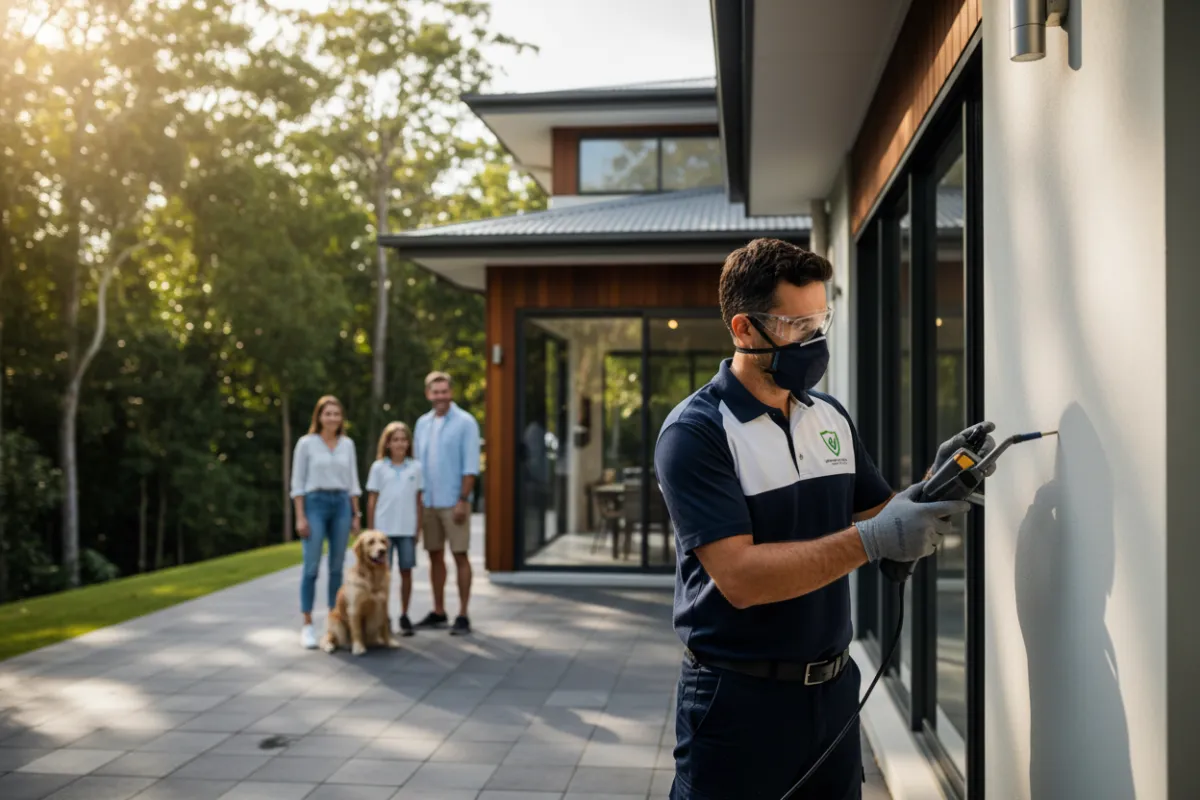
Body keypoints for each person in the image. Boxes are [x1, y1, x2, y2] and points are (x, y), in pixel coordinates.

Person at [655, 238, 985, 799]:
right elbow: (740, 578)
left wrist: (934, 486)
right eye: (796, 324)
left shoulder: (828, 415)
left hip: (833, 694)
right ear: (743, 329)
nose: (816, 339)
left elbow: (880, 517)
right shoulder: (697, 433)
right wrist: (875, 538)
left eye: (821, 319)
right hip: (737, 702)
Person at [290, 395, 363, 650]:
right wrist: (300, 516)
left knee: (336, 567)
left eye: (336, 414)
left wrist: (356, 514)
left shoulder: (347, 445)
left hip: (341, 504)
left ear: (341, 418)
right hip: (315, 504)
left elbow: (353, 482)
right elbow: (297, 483)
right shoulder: (306, 444)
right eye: (327, 413)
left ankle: (334, 623)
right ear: (319, 417)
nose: (332, 418)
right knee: (311, 566)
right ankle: (308, 624)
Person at [412, 371, 481, 635]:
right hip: (429, 502)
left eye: (444, 391)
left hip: (454, 502)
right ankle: (438, 611)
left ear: (451, 392)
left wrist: (463, 500)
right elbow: (417, 465)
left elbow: (471, 466)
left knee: (460, 555)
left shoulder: (466, 423)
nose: (440, 396)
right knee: (434, 556)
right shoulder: (422, 424)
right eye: (435, 391)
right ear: (428, 394)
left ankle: (463, 614)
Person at [366, 421, 423, 637]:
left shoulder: (415, 468)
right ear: (388, 443)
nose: (400, 443)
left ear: (408, 443)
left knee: (406, 572)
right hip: (383, 532)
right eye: (395, 440)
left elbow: (419, 501)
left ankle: (405, 614)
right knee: (382, 575)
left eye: (403, 439)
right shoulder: (379, 468)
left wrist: (418, 529)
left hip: (407, 529)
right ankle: (383, 616)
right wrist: (371, 532)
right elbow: (372, 500)